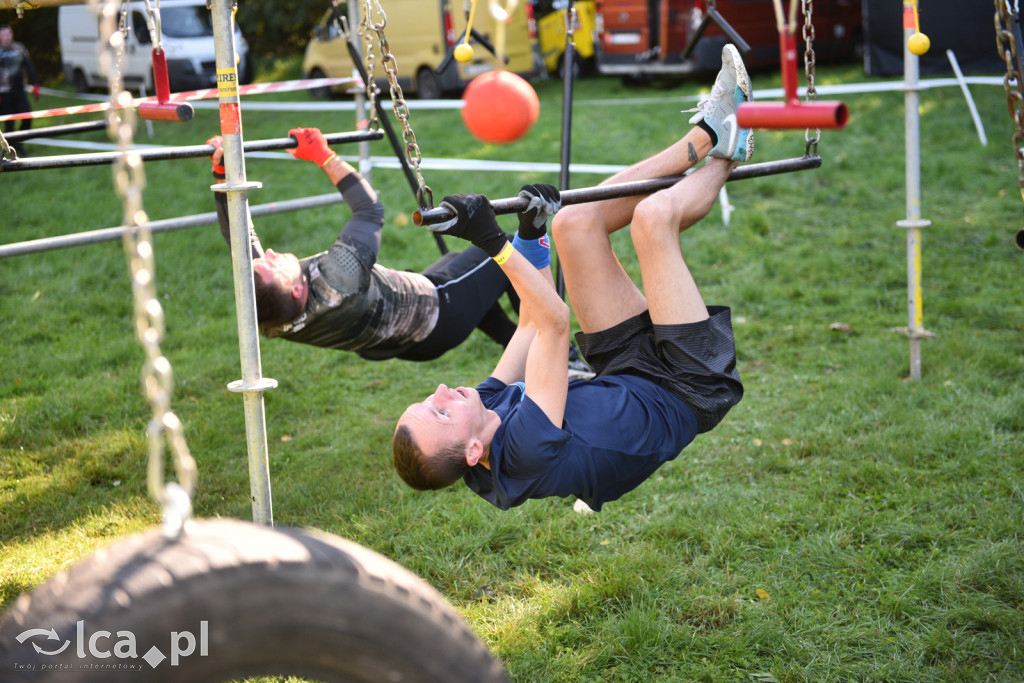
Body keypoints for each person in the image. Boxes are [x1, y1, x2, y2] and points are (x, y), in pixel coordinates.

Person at [391, 44, 752, 511]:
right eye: (441, 412)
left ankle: (705, 137)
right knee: (653, 220)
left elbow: (528, 325)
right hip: (686, 390)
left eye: (428, 400)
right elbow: (554, 322)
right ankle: (729, 150)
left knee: (571, 223)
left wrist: (529, 237)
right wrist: (490, 240)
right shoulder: (523, 452)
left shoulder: (482, 407)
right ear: (473, 452)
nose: (441, 392)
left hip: (626, 372)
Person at [210, 127, 593, 372]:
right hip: (439, 314)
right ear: (296, 290)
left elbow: (244, 245)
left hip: (403, 340)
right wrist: (324, 156)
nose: (271, 254)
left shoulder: (272, 316)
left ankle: (526, 351)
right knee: (508, 251)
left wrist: (223, 176)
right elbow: (370, 210)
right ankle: (560, 356)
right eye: (274, 266)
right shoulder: (337, 280)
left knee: (466, 278)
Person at [0, 24, 40, 156]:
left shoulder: (19, 48)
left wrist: (35, 84)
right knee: (9, 124)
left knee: (27, 117)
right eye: (4, 35)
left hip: (19, 91)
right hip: (3, 94)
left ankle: (19, 143)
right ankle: (9, 150)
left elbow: (29, 66)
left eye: (9, 34)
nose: (7, 37)